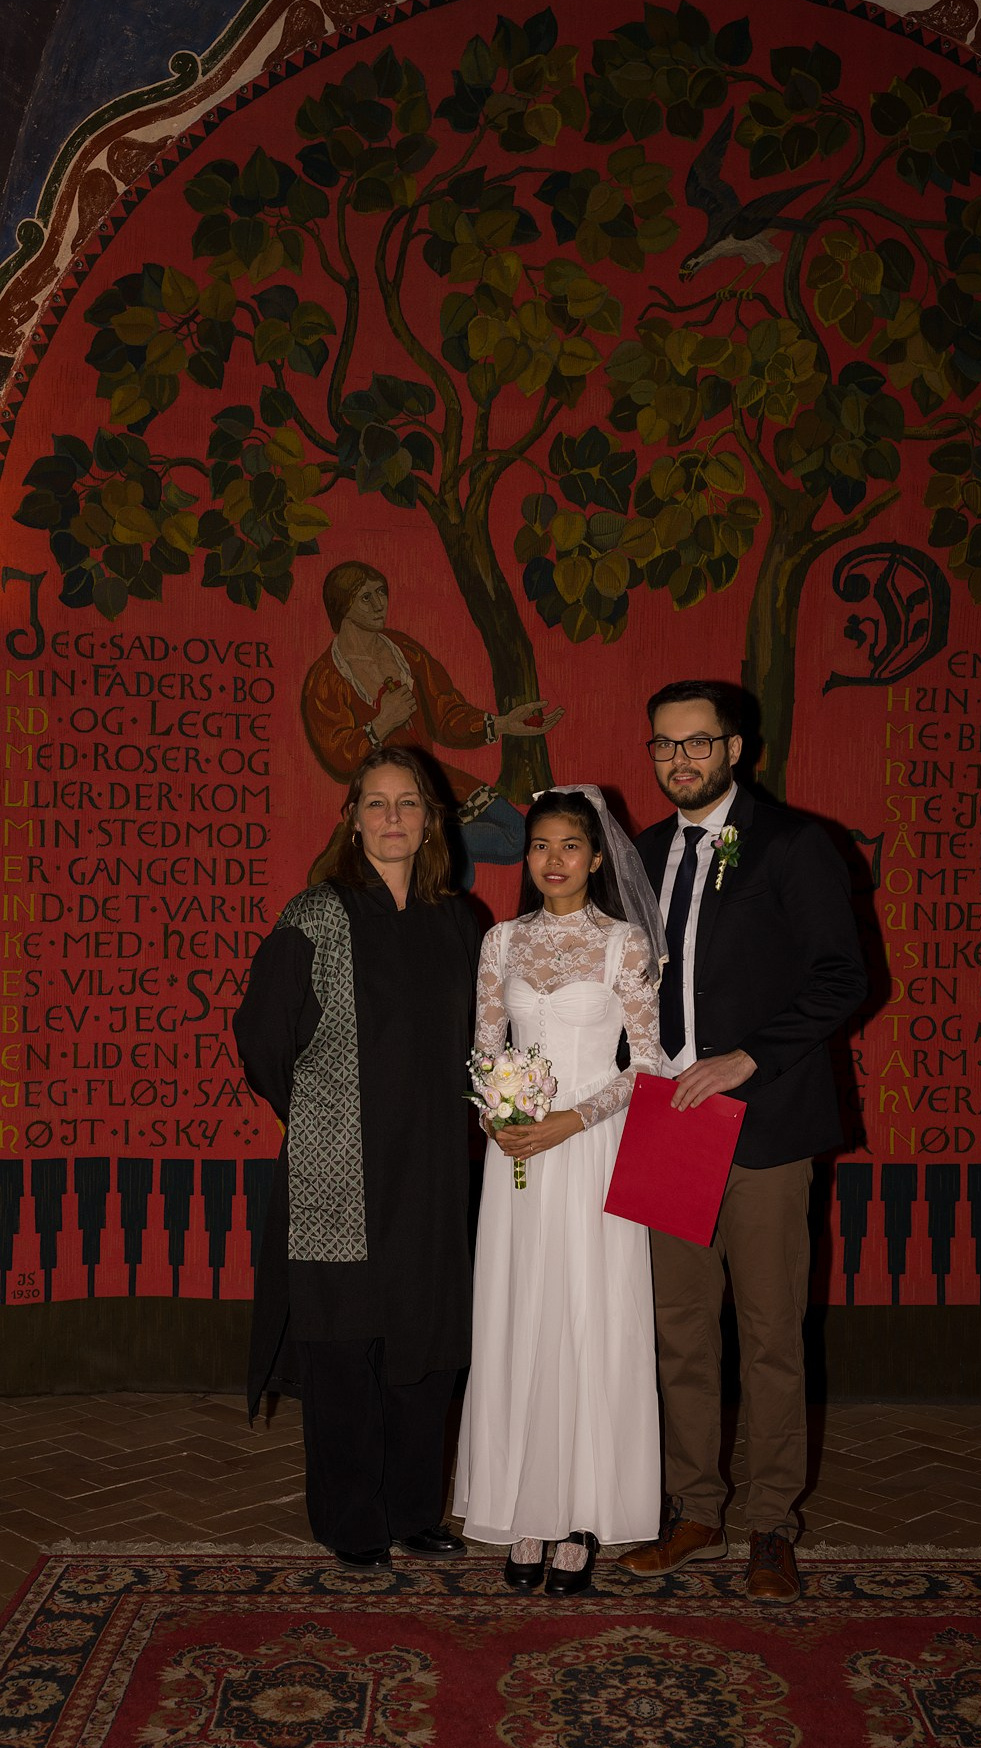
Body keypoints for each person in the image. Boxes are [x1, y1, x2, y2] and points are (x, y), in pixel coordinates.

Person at [616, 680, 868, 1604]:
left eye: (697, 743)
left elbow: (845, 975)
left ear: (735, 749)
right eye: (664, 745)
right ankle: (694, 1508)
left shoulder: (795, 845)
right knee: (679, 1333)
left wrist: (745, 1060)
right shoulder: (639, 854)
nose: (680, 759)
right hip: (667, 1124)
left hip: (762, 1122)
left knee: (768, 1334)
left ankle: (770, 1524)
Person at [235, 747, 480, 1569]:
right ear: (351, 818)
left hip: (438, 1172)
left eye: (408, 803)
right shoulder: (315, 914)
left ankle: (414, 1510)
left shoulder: (463, 922)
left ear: (430, 819)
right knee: (345, 1347)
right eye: (375, 804)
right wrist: (321, 1114)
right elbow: (262, 1038)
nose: (392, 818)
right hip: (341, 1170)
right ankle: (352, 1520)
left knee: (426, 1339)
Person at [453, 787, 666, 1597]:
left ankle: (581, 1511)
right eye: (539, 845)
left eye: (569, 846)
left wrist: (570, 1120)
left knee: (588, 1311)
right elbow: (482, 1050)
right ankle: (526, 1507)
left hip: (590, 1147)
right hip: (518, 1161)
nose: (552, 860)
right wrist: (495, 1117)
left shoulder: (624, 947)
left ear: (597, 855)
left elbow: (645, 1067)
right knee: (520, 1311)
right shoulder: (500, 942)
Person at [300, 559, 562, 873]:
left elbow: (446, 715)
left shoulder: (404, 650)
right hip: (387, 797)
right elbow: (337, 757)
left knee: (516, 835)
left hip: (432, 777)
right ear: (342, 605)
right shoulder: (326, 677)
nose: (380, 603)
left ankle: (430, 844)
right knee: (458, 874)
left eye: (381, 592)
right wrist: (383, 721)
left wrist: (504, 723)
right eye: (366, 597)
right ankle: (425, 851)